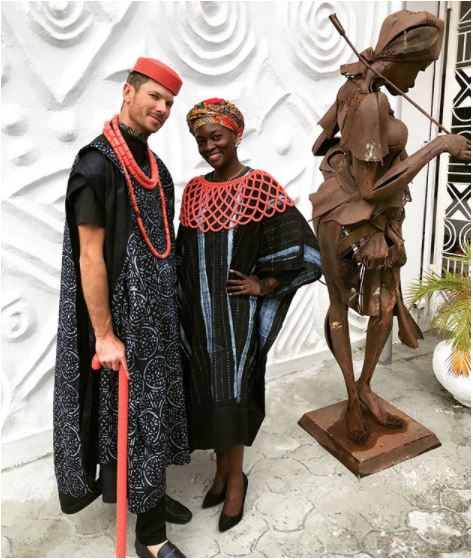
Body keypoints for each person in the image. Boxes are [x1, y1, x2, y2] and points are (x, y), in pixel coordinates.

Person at [53, 57, 193, 558]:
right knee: (133, 420)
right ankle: (150, 535)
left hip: (158, 319)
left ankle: (148, 492)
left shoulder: (158, 171)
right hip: (123, 325)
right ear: (128, 92)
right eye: (155, 96)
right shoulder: (94, 166)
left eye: (170, 102)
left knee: (156, 415)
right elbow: (90, 256)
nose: (162, 108)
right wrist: (105, 336)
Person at [311, 10, 471, 443]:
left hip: (378, 219)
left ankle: (365, 387)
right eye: (417, 69)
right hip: (347, 220)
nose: (417, 80)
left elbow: (322, 144)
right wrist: (438, 146)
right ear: (399, 58)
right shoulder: (369, 101)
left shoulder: (358, 86)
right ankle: (351, 395)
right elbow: (371, 188)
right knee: (341, 305)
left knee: (384, 306)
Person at [177, 98, 322, 531]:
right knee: (210, 395)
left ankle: (236, 479)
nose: (209, 146)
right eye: (201, 140)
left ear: (236, 134)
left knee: (232, 394)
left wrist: (265, 284)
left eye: (216, 136)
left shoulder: (259, 186)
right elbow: (184, 255)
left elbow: (302, 246)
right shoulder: (194, 190)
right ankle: (222, 472)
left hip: (236, 317)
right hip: (199, 318)